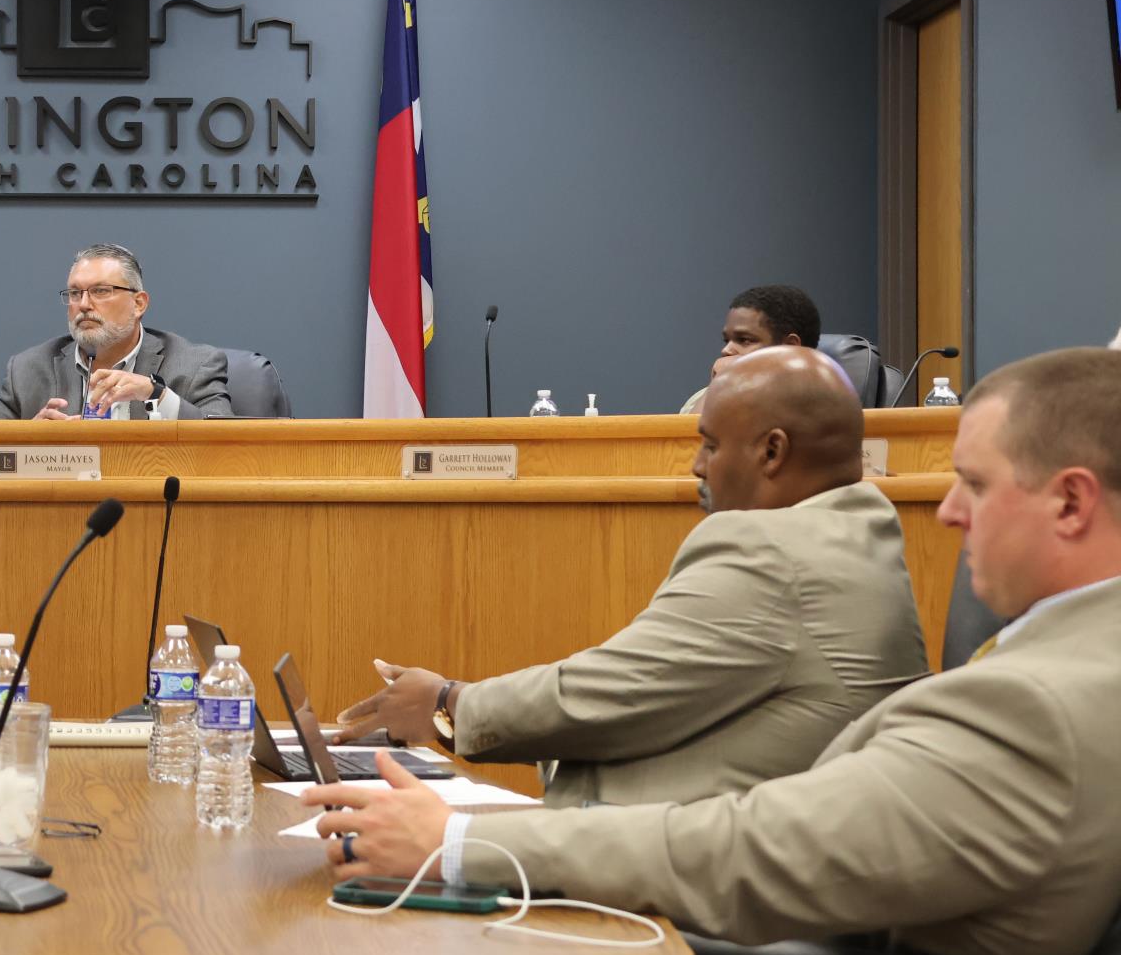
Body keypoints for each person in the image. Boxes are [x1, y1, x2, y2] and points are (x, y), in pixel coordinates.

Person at [309, 347, 1121, 955]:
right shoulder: (1065, 653)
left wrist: (459, 845)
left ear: (1073, 502)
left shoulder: (1036, 704)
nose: (944, 511)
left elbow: (758, 849)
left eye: (973, 483)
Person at [338, 346, 926, 808]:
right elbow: (658, 709)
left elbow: (612, 693)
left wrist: (449, 704)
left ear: (772, 452)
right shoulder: (864, 531)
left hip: (707, 891)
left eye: (712, 445)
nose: (697, 467)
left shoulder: (772, 549)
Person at [0, 243, 231, 420]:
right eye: (75, 293)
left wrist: (156, 394)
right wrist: (27, 442)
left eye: (101, 291)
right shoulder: (25, 371)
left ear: (139, 304)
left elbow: (228, 448)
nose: (83, 304)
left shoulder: (194, 365)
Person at [680, 284, 821, 413]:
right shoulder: (702, 398)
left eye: (745, 340)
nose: (726, 350)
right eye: (726, 340)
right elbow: (686, 439)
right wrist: (717, 388)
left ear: (790, 348)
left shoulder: (822, 407)